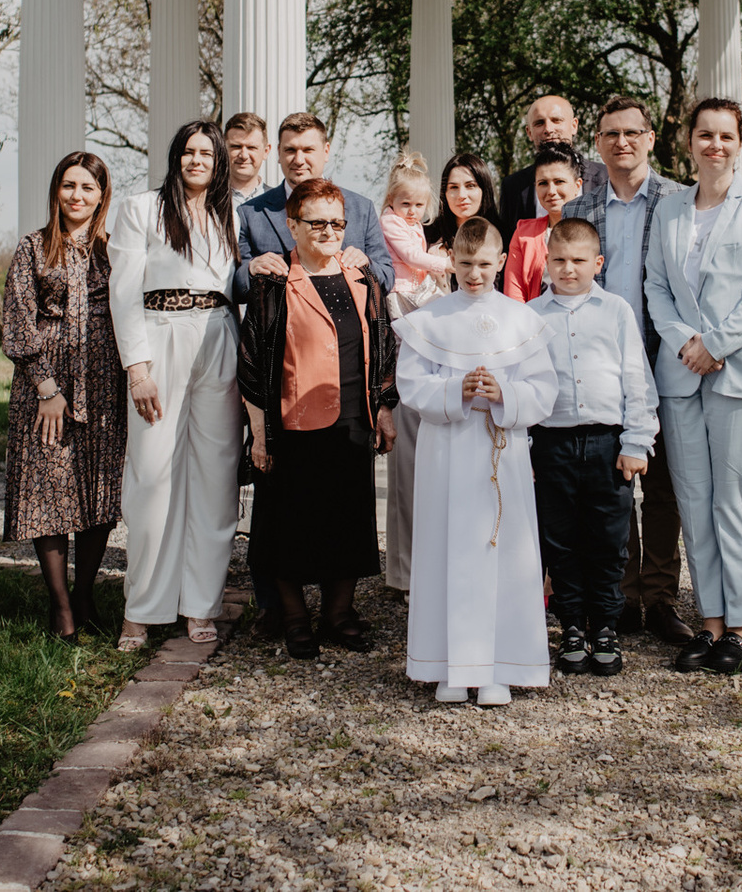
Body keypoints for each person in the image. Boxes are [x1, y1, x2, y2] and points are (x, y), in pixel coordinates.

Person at [643, 99, 742, 676]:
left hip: (740, 372)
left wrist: (717, 344)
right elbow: (655, 286)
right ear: (690, 143)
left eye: (726, 135)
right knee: (694, 502)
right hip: (681, 373)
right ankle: (711, 624)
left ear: (739, 142)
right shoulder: (670, 207)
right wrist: (687, 343)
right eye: (705, 135)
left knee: (734, 500)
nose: (715, 145)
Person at [395, 218, 558, 706]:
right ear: (451, 261)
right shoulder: (431, 319)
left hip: (501, 453)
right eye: (465, 263)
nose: (474, 273)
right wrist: (455, 390)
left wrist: (504, 392)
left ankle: (498, 668)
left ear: (501, 261)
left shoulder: (521, 319)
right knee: (445, 548)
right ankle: (448, 665)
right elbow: (411, 384)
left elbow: (543, 389)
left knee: (502, 552)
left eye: (484, 264)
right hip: (445, 451)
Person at [239, 178, 399, 659]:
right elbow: (251, 362)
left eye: (337, 223)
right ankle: (294, 618)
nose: (329, 231)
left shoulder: (362, 277)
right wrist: (260, 434)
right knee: (287, 522)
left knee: (348, 520)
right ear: (292, 226)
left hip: (353, 419)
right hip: (292, 424)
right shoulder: (273, 283)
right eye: (317, 223)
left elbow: (383, 345)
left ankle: (339, 614)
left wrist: (384, 409)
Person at [107, 122, 242, 651]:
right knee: (151, 475)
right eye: (188, 151)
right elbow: (123, 292)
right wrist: (137, 368)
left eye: (206, 152)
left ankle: (200, 604)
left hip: (218, 336)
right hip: (159, 335)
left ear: (219, 161)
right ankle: (141, 608)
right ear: (175, 157)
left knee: (215, 477)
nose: (196, 160)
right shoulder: (142, 209)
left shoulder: (232, 214)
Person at [564, 95, 693, 644]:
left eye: (632, 132)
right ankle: (622, 597)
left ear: (649, 138)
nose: (622, 142)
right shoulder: (578, 209)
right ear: (597, 143)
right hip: (603, 369)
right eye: (611, 134)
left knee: (663, 487)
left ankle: (661, 598)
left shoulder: (680, 202)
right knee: (614, 488)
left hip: (667, 359)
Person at [1, 151, 127, 643]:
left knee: (98, 487)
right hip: (46, 383)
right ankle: (60, 607)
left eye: (87, 187)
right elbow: (17, 320)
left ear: (102, 195)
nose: (77, 196)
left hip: (104, 382)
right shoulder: (33, 248)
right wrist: (46, 388)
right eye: (69, 185)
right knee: (47, 487)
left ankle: (85, 594)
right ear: (56, 190)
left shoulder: (115, 250)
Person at [527, 218, 657, 678]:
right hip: (552, 441)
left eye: (579, 260)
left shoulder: (616, 310)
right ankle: (571, 627)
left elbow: (636, 379)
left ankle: (604, 626)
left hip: (607, 442)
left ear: (597, 263)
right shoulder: (531, 315)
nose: (568, 269)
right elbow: (523, 383)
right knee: (559, 539)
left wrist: (636, 441)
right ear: (546, 262)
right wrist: (527, 446)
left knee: (608, 539)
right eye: (559, 260)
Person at [389, 152, 501, 595]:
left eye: (470, 185)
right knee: (414, 468)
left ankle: (476, 567)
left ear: (484, 189)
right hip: (426, 363)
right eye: (453, 186)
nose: (461, 194)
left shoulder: (500, 235)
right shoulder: (424, 235)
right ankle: (409, 573)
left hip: (485, 367)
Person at [235, 112, 394, 297]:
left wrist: (367, 265)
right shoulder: (250, 213)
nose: (298, 160)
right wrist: (251, 269)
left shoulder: (362, 209)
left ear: (326, 151)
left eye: (308, 150)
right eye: (290, 150)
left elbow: (387, 279)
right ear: (278, 153)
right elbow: (237, 288)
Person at [498, 96, 608, 235]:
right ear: (529, 132)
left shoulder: (606, 178)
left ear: (574, 126)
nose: (548, 129)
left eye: (556, 120)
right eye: (539, 123)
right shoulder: (513, 187)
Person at [503, 142, 584, 302]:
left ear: (577, 185)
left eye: (559, 181)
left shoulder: (595, 229)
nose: (551, 191)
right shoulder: (524, 234)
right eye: (543, 183)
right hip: (533, 317)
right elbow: (514, 298)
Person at [378, 151, 451, 312]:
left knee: (444, 309)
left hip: (418, 286)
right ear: (391, 199)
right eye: (406, 204)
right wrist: (444, 264)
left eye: (419, 205)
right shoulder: (391, 221)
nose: (412, 211)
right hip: (402, 289)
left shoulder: (415, 224)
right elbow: (410, 256)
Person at [225, 112, 271, 204]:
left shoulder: (282, 202)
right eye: (236, 146)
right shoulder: (206, 200)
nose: (244, 155)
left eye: (251, 147)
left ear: (266, 151)